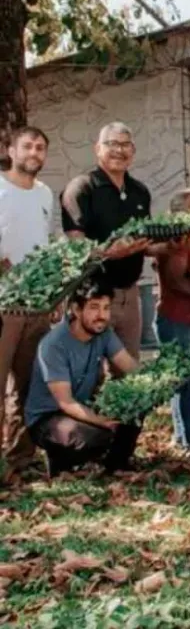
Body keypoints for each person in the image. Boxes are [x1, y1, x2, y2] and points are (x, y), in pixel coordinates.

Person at [24, 281, 141, 477]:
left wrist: (158, 381)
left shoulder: (104, 333)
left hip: (82, 405)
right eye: (94, 307)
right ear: (76, 310)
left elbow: (129, 366)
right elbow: (66, 402)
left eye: (106, 308)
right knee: (93, 436)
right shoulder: (54, 344)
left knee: (135, 406)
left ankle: (115, 465)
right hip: (48, 417)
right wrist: (101, 421)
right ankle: (61, 463)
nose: (102, 315)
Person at [61, 122, 152, 359]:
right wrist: (110, 253)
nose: (119, 150)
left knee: (129, 366)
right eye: (112, 144)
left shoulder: (140, 191)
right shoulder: (81, 188)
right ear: (97, 149)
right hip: (92, 295)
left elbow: (147, 243)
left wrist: (174, 244)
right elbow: (77, 248)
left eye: (125, 145)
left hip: (130, 294)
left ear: (133, 151)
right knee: (88, 367)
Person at [0, 126, 55, 477]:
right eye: (27, 146)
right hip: (3, 304)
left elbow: (44, 248)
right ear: (10, 150)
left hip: (37, 304)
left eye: (40, 147)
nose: (34, 152)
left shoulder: (45, 194)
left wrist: (52, 293)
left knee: (27, 384)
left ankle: (21, 458)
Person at [155, 189, 190, 456]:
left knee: (189, 379)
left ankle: (184, 437)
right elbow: (176, 280)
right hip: (178, 318)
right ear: (177, 212)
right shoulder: (176, 239)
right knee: (188, 380)